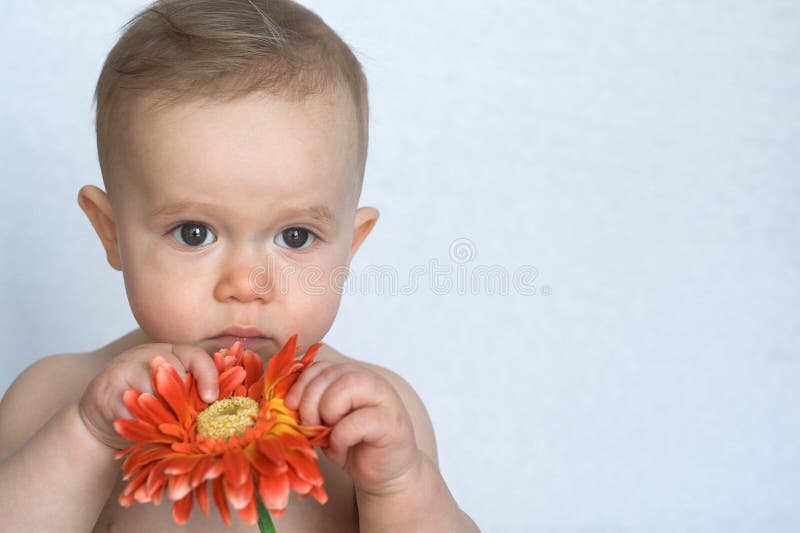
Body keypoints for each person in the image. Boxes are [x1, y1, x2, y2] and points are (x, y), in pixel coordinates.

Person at [0, 1, 479, 531]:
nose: (248, 285)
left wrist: (398, 483)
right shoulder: (55, 395)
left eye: (295, 237)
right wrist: (87, 434)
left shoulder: (374, 419)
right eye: (194, 233)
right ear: (110, 233)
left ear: (349, 248)